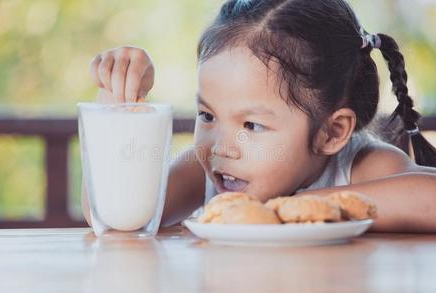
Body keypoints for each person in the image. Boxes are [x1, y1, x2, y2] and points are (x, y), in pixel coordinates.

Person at [83, 0, 436, 232]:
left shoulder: (357, 166)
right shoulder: (207, 167)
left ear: (331, 132)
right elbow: (120, 217)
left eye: (251, 125)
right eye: (207, 115)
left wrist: (304, 207)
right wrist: (116, 99)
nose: (221, 146)